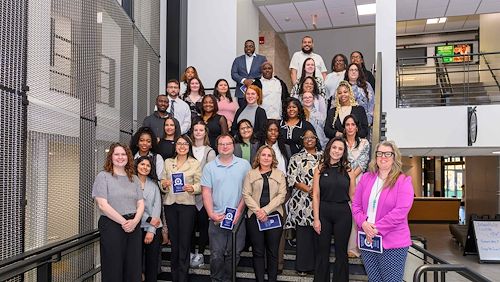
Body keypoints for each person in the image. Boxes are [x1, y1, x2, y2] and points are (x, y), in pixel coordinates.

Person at [352, 141, 414, 282]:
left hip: (392, 243)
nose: (383, 157)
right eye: (379, 153)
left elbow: (400, 212)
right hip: (368, 242)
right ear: (375, 156)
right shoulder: (366, 178)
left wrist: (375, 229)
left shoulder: (403, 181)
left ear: (394, 157)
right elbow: (356, 205)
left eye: (387, 154)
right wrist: (364, 224)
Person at [201, 134, 251, 282]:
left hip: (237, 218)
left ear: (233, 145)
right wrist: (211, 213)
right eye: (221, 144)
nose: (225, 146)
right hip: (217, 217)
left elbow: (247, 192)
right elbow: (206, 192)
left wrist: (239, 211)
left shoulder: (244, 165)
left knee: (234, 252)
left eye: (228, 144)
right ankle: (216, 280)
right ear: (217, 147)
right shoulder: (209, 167)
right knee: (216, 254)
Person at [92, 143, 144, 282]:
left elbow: (141, 203)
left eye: (123, 154)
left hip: (134, 225)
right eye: (116, 154)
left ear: (128, 157)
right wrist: (124, 222)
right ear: (111, 157)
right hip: (112, 226)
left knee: (133, 267)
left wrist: (134, 222)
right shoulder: (103, 176)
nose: (120, 157)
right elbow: (102, 205)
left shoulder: (134, 178)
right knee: (113, 267)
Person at [312, 137, 356, 282]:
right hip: (323, 212)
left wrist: (362, 217)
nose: (337, 151)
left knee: (341, 253)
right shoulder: (319, 169)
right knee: (322, 252)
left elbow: (353, 196)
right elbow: (316, 195)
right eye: (334, 147)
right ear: (329, 149)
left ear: (343, 152)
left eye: (340, 149)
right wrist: (316, 219)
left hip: (343, 213)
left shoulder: (349, 170)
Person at [242, 145, 287, 282]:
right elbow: (246, 194)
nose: (266, 158)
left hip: (274, 216)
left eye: (269, 155)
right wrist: (258, 211)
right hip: (254, 217)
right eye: (263, 155)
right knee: (258, 251)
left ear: (273, 158)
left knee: (273, 252)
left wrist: (266, 210)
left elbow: (282, 195)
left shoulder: (279, 174)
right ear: (258, 157)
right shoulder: (251, 174)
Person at [160, 135, 201, 281]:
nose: (182, 146)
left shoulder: (194, 163)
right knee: (174, 243)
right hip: (170, 205)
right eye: (179, 144)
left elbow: (199, 184)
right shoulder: (168, 162)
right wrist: (164, 185)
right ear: (175, 146)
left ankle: (182, 277)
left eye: (185, 144)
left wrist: (192, 188)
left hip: (187, 206)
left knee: (184, 243)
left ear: (189, 147)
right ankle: (174, 276)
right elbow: (162, 181)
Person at [284, 129, 322, 275]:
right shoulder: (296, 158)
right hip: (301, 202)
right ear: (302, 141)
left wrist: (317, 190)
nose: (309, 140)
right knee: (304, 236)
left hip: (319, 201)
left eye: (312, 137)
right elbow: (291, 178)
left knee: (317, 235)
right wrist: (309, 189)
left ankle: (317, 267)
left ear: (316, 139)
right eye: (306, 138)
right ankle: (303, 267)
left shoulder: (323, 156)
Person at [190, 120, 217, 268]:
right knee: (190, 227)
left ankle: (200, 254)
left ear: (205, 132)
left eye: (201, 130)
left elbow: (211, 174)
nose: (198, 132)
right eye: (196, 130)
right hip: (188, 196)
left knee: (203, 226)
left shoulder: (210, 151)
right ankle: (190, 253)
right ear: (192, 132)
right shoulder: (187, 149)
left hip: (204, 196)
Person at [343, 114, 370, 258]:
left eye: (353, 124)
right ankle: (345, 246)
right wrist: (348, 176)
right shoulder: (340, 142)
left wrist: (352, 176)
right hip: (343, 181)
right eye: (347, 124)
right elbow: (339, 160)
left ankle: (356, 248)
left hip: (359, 181)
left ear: (357, 127)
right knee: (345, 214)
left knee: (357, 214)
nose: (350, 127)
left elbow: (364, 162)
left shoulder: (364, 143)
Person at [135, 156, 163, 282]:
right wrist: (147, 219)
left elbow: (157, 207)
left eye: (148, 165)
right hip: (135, 227)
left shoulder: (154, 186)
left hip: (153, 229)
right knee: (135, 262)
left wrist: (151, 230)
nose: (145, 167)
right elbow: (131, 207)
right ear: (136, 165)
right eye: (142, 164)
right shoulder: (129, 183)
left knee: (152, 264)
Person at [231, 39, 267, 107]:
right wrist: (244, 81)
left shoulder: (262, 59)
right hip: (241, 93)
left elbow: (264, 73)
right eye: (246, 46)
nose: (248, 48)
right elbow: (234, 73)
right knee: (243, 113)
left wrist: (253, 81)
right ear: (244, 48)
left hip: (256, 91)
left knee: (255, 113)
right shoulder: (238, 60)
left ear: (254, 47)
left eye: (251, 46)